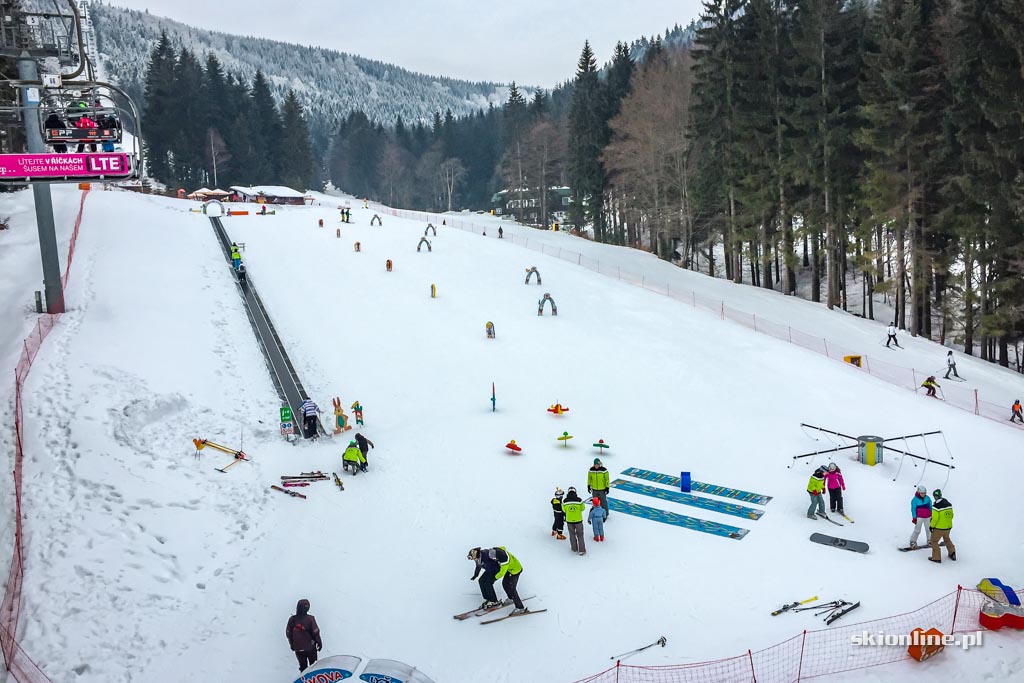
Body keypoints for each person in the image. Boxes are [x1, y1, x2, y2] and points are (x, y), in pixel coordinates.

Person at [469, 547, 527, 614]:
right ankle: (510, 599)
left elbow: (501, 572)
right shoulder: (495, 552)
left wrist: (494, 579)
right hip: (509, 569)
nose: (494, 559)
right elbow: (479, 564)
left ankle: (520, 608)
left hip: (515, 571)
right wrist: (476, 574)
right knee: (505, 584)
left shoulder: (504, 561)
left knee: (511, 588)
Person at [285, 598, 322, 673]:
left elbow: (288, 633)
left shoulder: (292, 620)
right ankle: (314, 679)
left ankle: (304, 679)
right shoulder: (310, 619)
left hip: (298, 648)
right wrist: (319, 642)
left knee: (303, 667)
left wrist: (292, 644)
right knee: (313, 666)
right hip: (310, 647)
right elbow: (315, 632)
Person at [928, 489, 956, 563]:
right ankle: (952, 553)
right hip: (948, 527)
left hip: (939, 528)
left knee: (934, 541)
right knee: (947, 539)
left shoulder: (936, 506)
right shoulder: (949, 504)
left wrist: (931, 526)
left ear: (935, 497)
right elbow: (952, 515)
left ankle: (936, 558)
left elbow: (934, 519)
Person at [561, 487, 587, 556]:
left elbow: (564, 510)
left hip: (569, 520)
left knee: (572, 534)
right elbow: (583, 508)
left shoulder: (565, 501)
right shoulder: (579, 500)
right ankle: (581, 550)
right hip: (578, 520)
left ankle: (574, 548)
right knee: (580, 535)